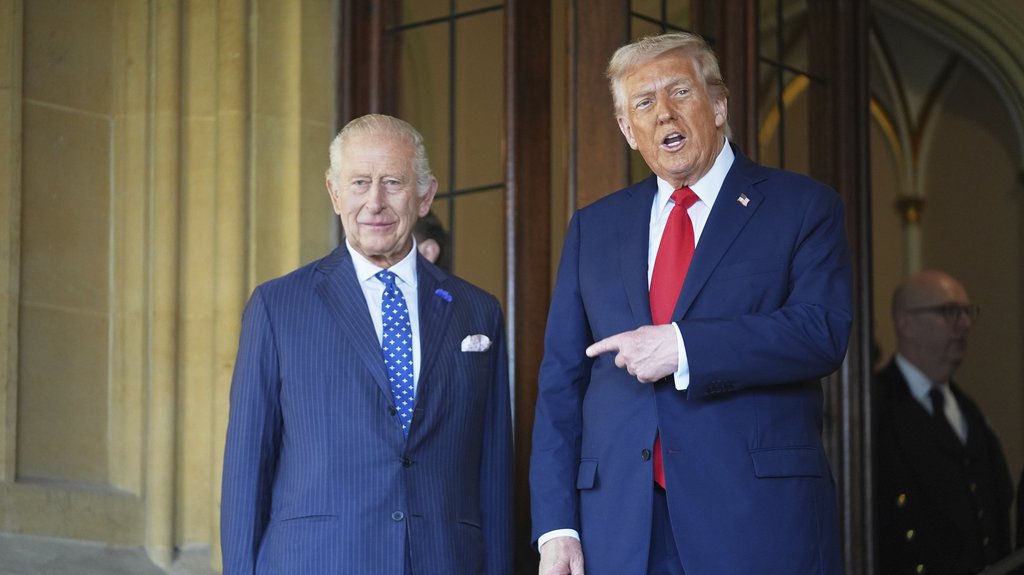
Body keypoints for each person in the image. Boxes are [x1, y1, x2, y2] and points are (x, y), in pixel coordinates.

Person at [529, 32, 852, 574]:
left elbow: (821, 331)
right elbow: (561, 383)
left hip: (755, 521)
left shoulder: (802, 206)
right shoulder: (593, 227)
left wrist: (683, 348)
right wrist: (556, 527)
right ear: (627, 130)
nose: (663, 113)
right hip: (621, 527)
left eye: (679, 92)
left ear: (719, 105)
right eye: (643, 103)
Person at [220, 114, 512, 575]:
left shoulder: (478, 312)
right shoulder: (277, 307)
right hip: (316, 562)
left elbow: (494, 473)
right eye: (359, 183)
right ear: (335, 194)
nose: (374, 202)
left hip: (444, 560)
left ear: (425, 195)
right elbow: (246, 469)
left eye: (392, 182)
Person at [874, 270, 1013, 575]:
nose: (965, 324)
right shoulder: (874, 409)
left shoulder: (970, 412)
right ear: (905, 322)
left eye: (967, 312)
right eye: (950, 312)